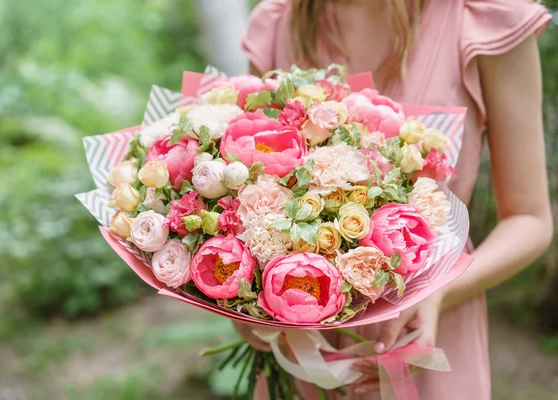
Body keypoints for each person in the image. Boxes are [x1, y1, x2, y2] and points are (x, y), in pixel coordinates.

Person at [233, 0, 554, 399]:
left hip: (427, 336)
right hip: (299, 344)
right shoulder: (277, 24)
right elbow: (242, 187)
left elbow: (529, 218)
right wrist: (241, 297)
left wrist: (438, 293)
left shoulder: (483, 18)